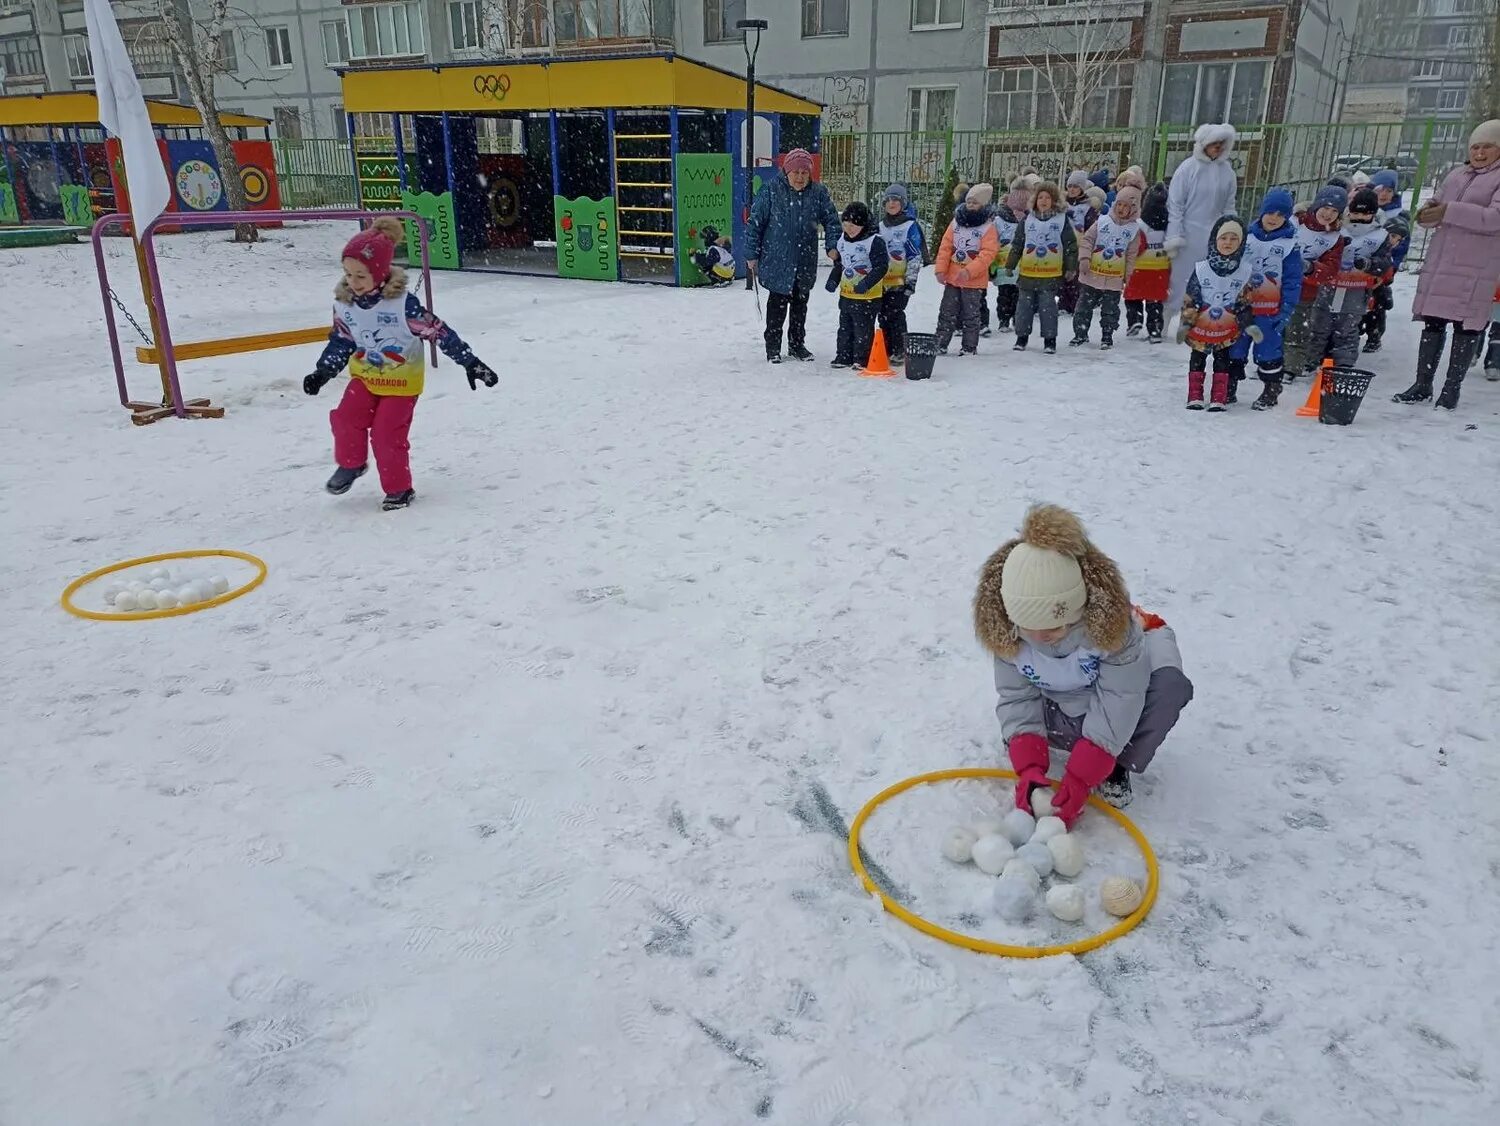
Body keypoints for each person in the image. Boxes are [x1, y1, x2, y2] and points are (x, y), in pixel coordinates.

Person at [974, 504, 1193, 818]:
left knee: (1169, 688)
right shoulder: (1007, 631)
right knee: (1027, 726)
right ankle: (1047, 745)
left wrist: (1082, 777)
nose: (1039, 637)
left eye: (1051, 628)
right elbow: (1017, 696)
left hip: (1116, 703)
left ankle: (1117, 765)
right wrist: (1029, 766)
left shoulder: (1112, 632)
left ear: (1075, 609)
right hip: (1061, 701)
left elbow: (1120, 698)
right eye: (1028, 628)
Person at [303, 217, 497, 511]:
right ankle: (352, 464)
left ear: (379, 273)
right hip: (365, 378)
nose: (351, 282)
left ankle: (399, 489)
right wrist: (323, 372)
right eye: (348, 273)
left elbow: (438, 331)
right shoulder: (346, 304)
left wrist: (470, 362)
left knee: (385, 434)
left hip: (401, 384)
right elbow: (342, 340)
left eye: (360, 275)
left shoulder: (402, 306)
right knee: (345, 418)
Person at [1396, 120, 1500, 410]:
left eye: (1487, 146)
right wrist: (1427, 213)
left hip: (1477, 265)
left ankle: (1451, 388)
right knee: (1433, 321)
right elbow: (1439, 203)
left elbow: (1495, 218)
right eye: (1475, 146)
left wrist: (1450, 211)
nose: (1479, 152)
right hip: (1443, 261)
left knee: (1466, 327)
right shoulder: (1457, 174)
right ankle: (1422, 383)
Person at [744, 148, 841, 365]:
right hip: (778, 260)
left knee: (800, 306)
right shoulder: (771, 191)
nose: (800, 177)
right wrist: (751, 253)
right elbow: (755, 224)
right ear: (786, 172)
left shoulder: (818, 193)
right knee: (776, 309)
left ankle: (797, 345)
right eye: (795, 172)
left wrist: (833, 245)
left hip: (804, 261)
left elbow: (832, 220)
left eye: (804, 173)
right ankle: (773, 348)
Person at [1231, 189, 1303, 411]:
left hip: (1270, 310)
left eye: (1280, 215)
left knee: (1268, 352)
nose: (1274, 218)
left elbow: (1292, 279)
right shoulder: (1246, 237)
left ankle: (1271, 390)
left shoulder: (1289, 245)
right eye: (1270, 212)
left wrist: (1287, 308)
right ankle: (1228, 385)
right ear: (1262, 212)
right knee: (1235, 348)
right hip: (1243, 307)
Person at [1305, 187, 1391, 373]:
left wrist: (1368, 264)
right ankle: (1311, 360)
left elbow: (1385, 263)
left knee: (1348, 329)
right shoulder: (1337, 228)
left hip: (1356, 290)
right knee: (1319, 325)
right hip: (1329, 287)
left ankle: (1343, 363)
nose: (1359, 217)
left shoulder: (1380, 236)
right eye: (1356, 212)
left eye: (1365, 214)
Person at [1177, 215, 1258, 410]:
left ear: (1241, 243)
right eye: (1223, 238)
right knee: (1197, 358)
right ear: (1215, 240)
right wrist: (1186, 324)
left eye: (1233, 239)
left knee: (1222, 360)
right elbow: (1191, 298)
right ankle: (1195, 395)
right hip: (1201, 326)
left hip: (1226, 328)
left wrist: (1249, 324)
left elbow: (1244, 302)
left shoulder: (1245, 271)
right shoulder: (1201, 269)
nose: (1228, 243)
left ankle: (1218, 397)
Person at [1165, 123, 1239, 315]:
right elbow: (1175, 205)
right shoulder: (1188, 168)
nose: (1218, 147)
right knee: (1179, 280)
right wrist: (1175, 235)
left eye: (1222, 143)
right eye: (1215, 142)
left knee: (1207, 282)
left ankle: (1194, 322)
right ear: (1204, 143)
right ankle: (1165, 322)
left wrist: (1232, 232)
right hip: (1188, 235)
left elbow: (1229, 206)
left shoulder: (1227, 172)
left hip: (1214, 237)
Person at [1281, 184, 1348, 380]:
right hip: (1278, 286)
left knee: (1297, 328)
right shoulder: (1294, 222)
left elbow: (1331, 270)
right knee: (1275, 326)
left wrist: (1311, 268)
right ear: (1316, 206)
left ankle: (1291, 367)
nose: (1328, 214)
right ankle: (1269, 362)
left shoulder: (1334, 238)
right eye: (1325, 208)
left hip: (1305, 290)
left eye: (1335, 211)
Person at [1006, 181, 1077, 354]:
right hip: (1028, 273)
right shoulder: (1027, 220)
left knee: (1048, 308)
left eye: (1048, 197)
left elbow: (1070, 246)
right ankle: (1021, 337)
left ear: (1054, 201)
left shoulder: (1061, 220)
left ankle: (1049, 339)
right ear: (1035, 200)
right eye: (1040, 197)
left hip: (1050, 274)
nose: (1044, 201)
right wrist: (1010, 264)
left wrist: (1070, 267)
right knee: (1024, 307)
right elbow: (1017, 244)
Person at [1071, 186, 1141, 349]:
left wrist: (1128, 275)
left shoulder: (1133, 230)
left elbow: (1131, 255)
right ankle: (1080, 334)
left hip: (1114, 277)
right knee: (1084, 306)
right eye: (1119, 204)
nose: (1121, 209)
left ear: (1133, 209)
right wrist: (1084, 258)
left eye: (1126, 206)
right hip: (1092, 274)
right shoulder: (1102, 222)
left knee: (1110, 309)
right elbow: (1087, 240)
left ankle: (1107, 334)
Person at [934, 183, 998, 355]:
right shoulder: (956, 223)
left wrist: (970, 270)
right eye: (969, 201)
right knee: (947, 312)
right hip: (953, 278)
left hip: (973, 280)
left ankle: (969, 347)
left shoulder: (987, 228)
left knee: (971, 315)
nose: (970, 205)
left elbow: (988, 254)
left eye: (975, 202)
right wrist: (941, 269)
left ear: (983, 205)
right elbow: (945, 247)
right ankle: (940, 343)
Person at [824, 201, 889, 369]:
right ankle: (843, 355)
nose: (849, 229)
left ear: (863, 224)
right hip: (847, 294)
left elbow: (881, 267)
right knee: (844, 327)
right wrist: (833, 280)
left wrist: (866, 283)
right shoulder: (842, 241)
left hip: (868, 296)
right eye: (846, 225)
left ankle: (862, 358)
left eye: (853, 225)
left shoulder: (874, 241)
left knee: (863, 329)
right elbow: (841, 264)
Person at [1360, 169, 1410, 352]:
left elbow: (1401, 248)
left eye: (1389, 191)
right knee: (1358, 300)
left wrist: (1391, 269)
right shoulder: (1363, 208)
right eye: (1380, 189)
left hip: (1382, 268)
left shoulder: (1397, 216)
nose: (1383, 194)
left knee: (1378, 302)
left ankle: (1374, 335)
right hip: (1361, 265)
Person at [875, 184, 924, 365]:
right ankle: (886, 347)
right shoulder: (880, 226)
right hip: (881, 282)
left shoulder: (909, 226)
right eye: (888, 200)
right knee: (883, 315)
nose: (891, 203)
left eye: (896, 200)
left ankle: (899, 349)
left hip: (899, 281)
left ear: (903, 203)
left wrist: (911, 281)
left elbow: (914, 256)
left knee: (895, 314)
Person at [1125, 181, 1171, 342]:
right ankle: (1155, 330)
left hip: (1140, 267)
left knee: (1132, 297)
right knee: (1155, 300)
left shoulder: (1140, 224)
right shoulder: (1169, 225)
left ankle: (1135, 320)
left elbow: (1138, 246)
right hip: (1161, 268)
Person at [988, 175, 1032, 333]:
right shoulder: (1000, 219)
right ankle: (1004, 319)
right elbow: (993, 239)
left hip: (1024, 263)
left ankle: (1016, 318)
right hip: (1003, 262)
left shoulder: (1031, 219)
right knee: (1005, 292)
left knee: (1020, 294)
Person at [1060, 171, 1098, 314]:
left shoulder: (1088, 208)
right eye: (1069, 186)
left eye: (1076, 186)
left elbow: (1092, 228)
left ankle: (1074, 304)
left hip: (1079, 246)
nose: (1072, 189)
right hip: (1063, 245)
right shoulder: (1062, 206)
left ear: (1082, 188)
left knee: (1076, 277)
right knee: (1063, 274)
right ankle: (1063, 303)